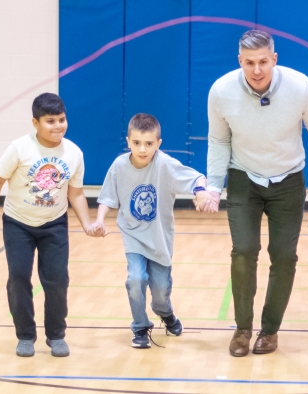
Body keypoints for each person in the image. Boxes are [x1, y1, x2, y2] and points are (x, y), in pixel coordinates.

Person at [206, 30, 308, 357]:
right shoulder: (221, 91)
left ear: (274, 59)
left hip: (288, 180)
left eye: (263, 61)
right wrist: (212, 184)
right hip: (242, 178)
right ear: (240, 62)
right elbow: (219, 141)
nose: (257, 69)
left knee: (283, 256)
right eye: (249, 63)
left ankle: (270, 329)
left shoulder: (300, 87)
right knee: (244, 251)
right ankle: (243, 328)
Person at [87, 114, 215, 349]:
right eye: (136, 143)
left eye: (149, 143)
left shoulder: (165, 164)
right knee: (135, 279)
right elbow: (107, 196)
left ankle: (165, 314)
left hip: (159, 238)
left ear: (159, 143)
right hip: (133, 234)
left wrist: (201, 192)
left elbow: (196, 177)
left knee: (161, 291)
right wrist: (100, 220)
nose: (142, 149)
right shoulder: (119, 166)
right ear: (128, 141)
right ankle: (140, 327)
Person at [0, 92, 92, 358]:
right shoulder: (19, 148)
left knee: (57, 281)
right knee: (19, 278)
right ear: (35, 123)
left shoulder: (74, 153)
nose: (58, 126)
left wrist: (87, 223)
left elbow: (75, 192)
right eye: (50, 121)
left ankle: (56, 335)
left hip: (54, 225)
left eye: (62, 120)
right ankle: (25, 335)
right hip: (18, 224)